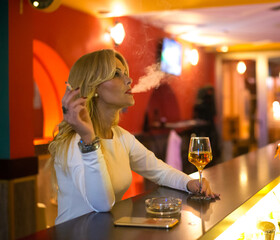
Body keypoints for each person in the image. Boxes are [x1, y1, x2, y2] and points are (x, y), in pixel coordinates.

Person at [48, 49, 219, 225]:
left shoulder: (120, 136)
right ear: (94, 87)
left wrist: (189, 183)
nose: (129, 80)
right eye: (116, 74)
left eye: (125, 73)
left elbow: (159, 171)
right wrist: (89, 139)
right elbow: (102, 204)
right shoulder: (75, 141)